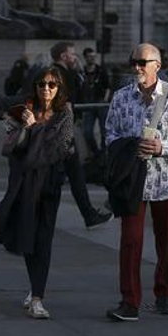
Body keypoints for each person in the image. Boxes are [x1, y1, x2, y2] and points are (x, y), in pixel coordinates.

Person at [105, 43, 168, 321]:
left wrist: (163, 147)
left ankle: (164, 294)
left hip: (167, 181)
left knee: (166, 241)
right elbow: (109, 133)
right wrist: (129, 146)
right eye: (132, 62)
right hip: (132, 181)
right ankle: (129, 302)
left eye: (141, 62)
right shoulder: (121, 97)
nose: (136, 67)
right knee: (130, 241)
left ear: (157, 66)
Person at [0, 66, 75, 319]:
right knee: (27, 237)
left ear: (59, 88)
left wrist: (33, 128)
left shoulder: (64, 111)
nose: (46, 89)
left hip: (49, 182)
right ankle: (35, 289)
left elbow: (58, 148)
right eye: (42, 84)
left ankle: (37, 298)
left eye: (52, 85)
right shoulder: (26, 104)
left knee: (43, 240)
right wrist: (8, 119)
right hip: (24, 182)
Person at [49, 41, 112, 228]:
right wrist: (67, 139)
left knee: (75, 176)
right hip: (61, 135)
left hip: (59, 133)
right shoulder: (61, 75)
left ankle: (89, 214)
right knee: (54, 181)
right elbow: (63, 108)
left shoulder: (60, 73)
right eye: (72, 54)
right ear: (63, 56)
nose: (75, 57)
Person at [80, 47, 111, 166]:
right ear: (85, 57)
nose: (92, 59)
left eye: (94, 57)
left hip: (100, 103)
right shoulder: (82, 72)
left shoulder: (101, 70)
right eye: (89, 57)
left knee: (104, 131)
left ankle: (103, 155)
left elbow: (108, 86)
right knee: (87, 132)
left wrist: (105, 100)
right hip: (88, 104)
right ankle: (96, 153)